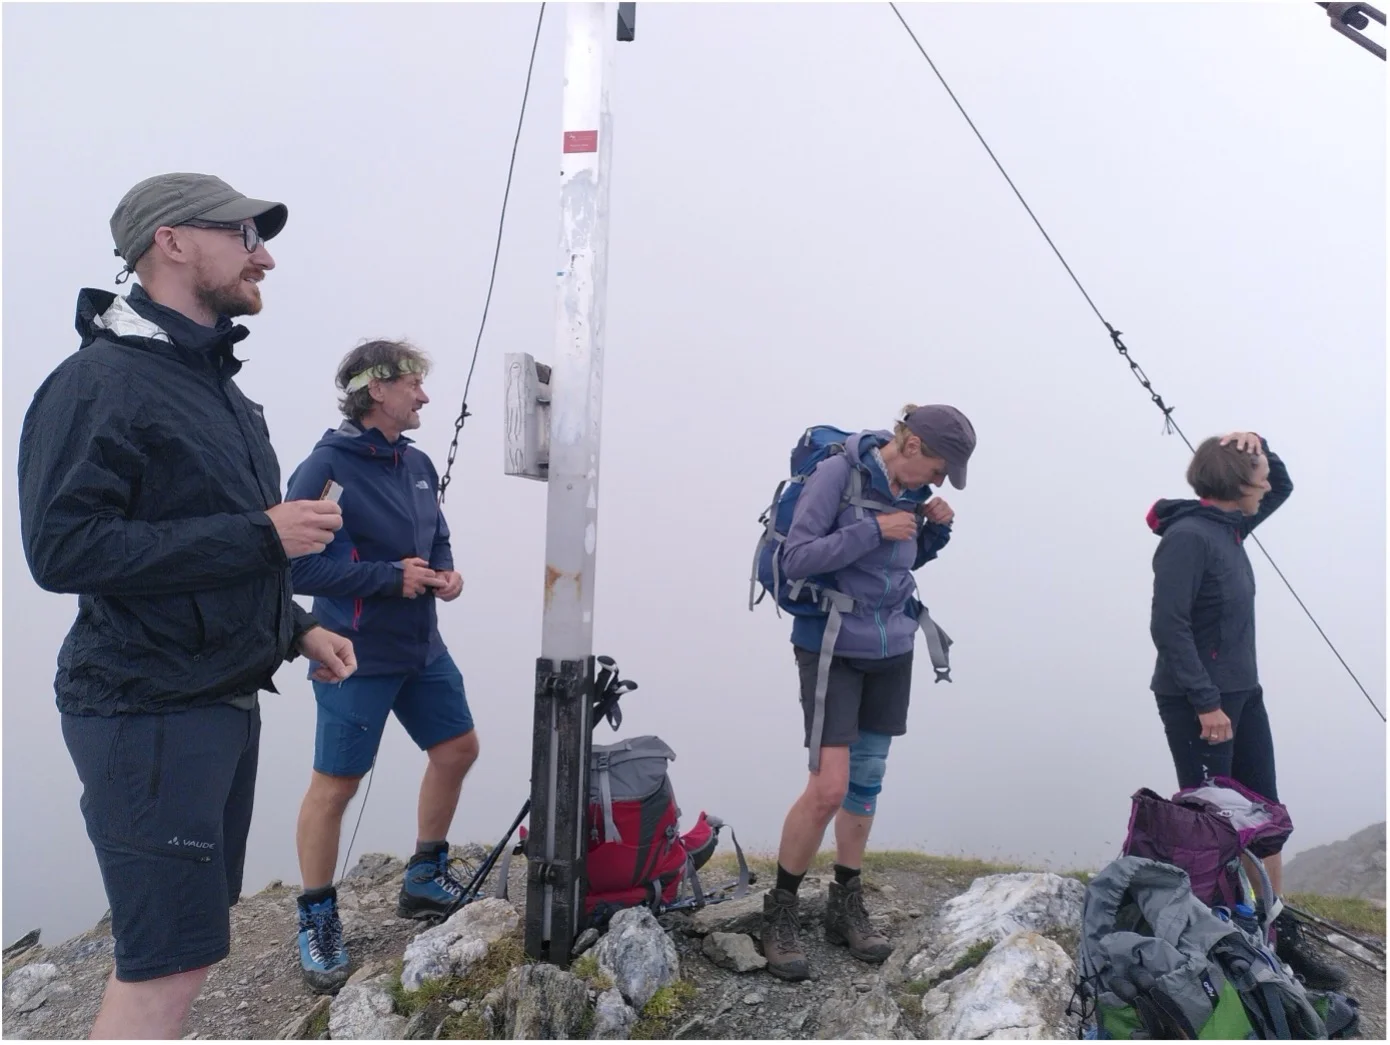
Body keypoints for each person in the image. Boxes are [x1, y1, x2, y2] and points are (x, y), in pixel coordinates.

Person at [17, 172, 357, 1040]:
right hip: (144, 710)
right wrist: (263, 536)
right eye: (245, 236)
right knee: (160, 971)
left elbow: (215, 545)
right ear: (171, 241)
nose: (265, 256)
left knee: (191, 952)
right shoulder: (99, 382)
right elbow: (63, 550)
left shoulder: (219, 391)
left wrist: (296, 627)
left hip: (212, 701)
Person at [758, 404, 976, 982]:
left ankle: (844, 904)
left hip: (892, 645)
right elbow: (796, 558)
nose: (936, 479)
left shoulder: (909, 489)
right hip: (831, 643)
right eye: (937, 466)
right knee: (828, 788)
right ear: (911, 445)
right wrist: (873, 528)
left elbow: (895, 565)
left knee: (867, 781)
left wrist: (934, 533)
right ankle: (779, 912)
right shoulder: (839, 474)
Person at [284, 339, 475, 992]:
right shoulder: (327, 468)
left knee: (457, 748)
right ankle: (316, 916)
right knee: (336, 785)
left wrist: (444, 572)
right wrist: (388, 579)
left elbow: (436, 530)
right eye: (413, 384)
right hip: (353, 650)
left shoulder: (415, 462)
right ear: (376, 390)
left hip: (421, 646)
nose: (423, 395)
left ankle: (423, 876)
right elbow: (298, 564)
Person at [1148, 430, 1346, 990]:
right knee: (1219, 828)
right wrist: (1206, 702)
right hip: (1199, 704)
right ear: (1237, 485)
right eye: (1256, 470)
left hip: (1243, 693)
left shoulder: (1232, 525)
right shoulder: (1189, 538)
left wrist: (1258, 440)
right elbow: (1169, 625)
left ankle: (1273, 931)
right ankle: (1226, 942)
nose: (1265, 481)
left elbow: (1281, 485)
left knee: (1266, 818)